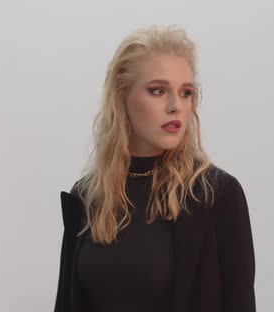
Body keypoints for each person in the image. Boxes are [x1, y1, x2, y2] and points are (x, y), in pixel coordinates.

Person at [54, 24, 256, 312]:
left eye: (186, 92)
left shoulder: (215, 194)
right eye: (158, 90)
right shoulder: (88, 195)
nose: (176, 106)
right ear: (122, 96)